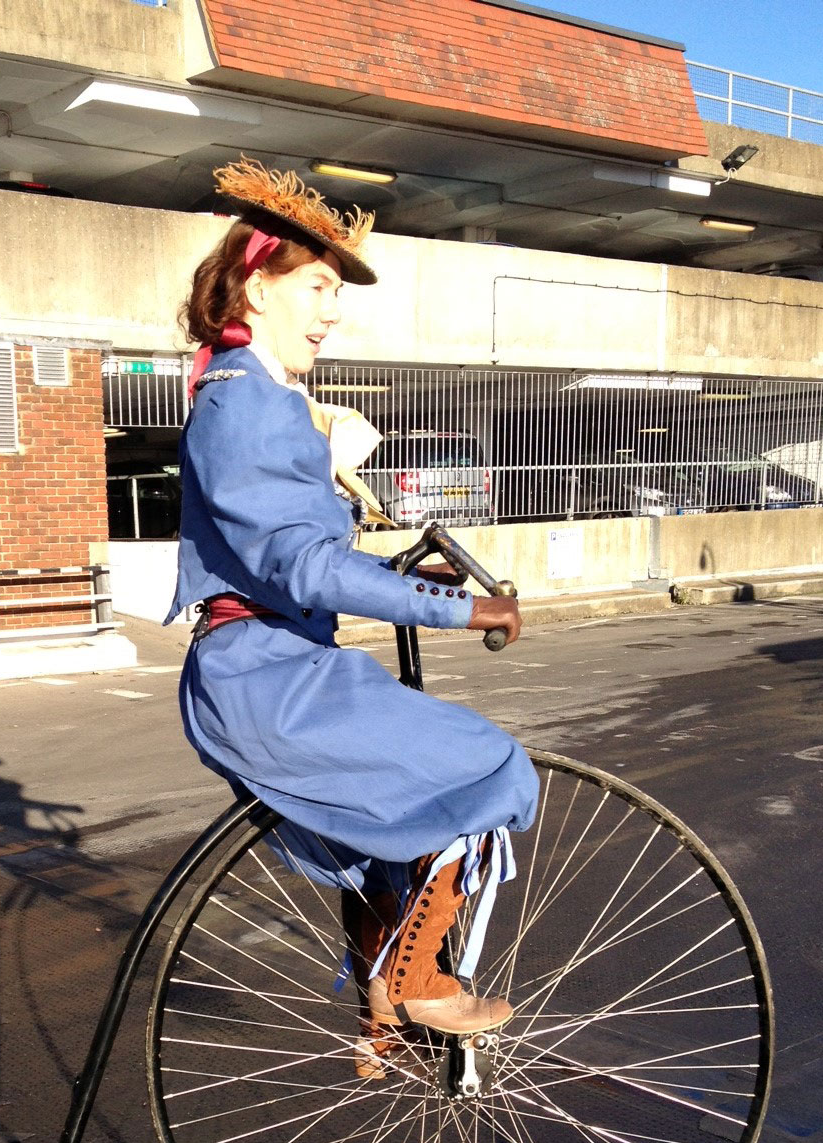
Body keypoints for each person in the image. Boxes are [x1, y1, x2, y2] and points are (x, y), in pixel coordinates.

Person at [166, 158, 539, 1066]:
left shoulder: (257, 397)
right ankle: (414, 984)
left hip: (285, 660)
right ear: (256, 282)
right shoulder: (245, 403)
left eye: (337, 293)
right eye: (319, 287)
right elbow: (301, 564)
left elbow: (296, 556)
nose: (333, 313)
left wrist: (392, 555)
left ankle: (382, 1004)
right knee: (486, 767)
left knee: (389, 834)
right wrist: (460, 610)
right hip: (265, 677)